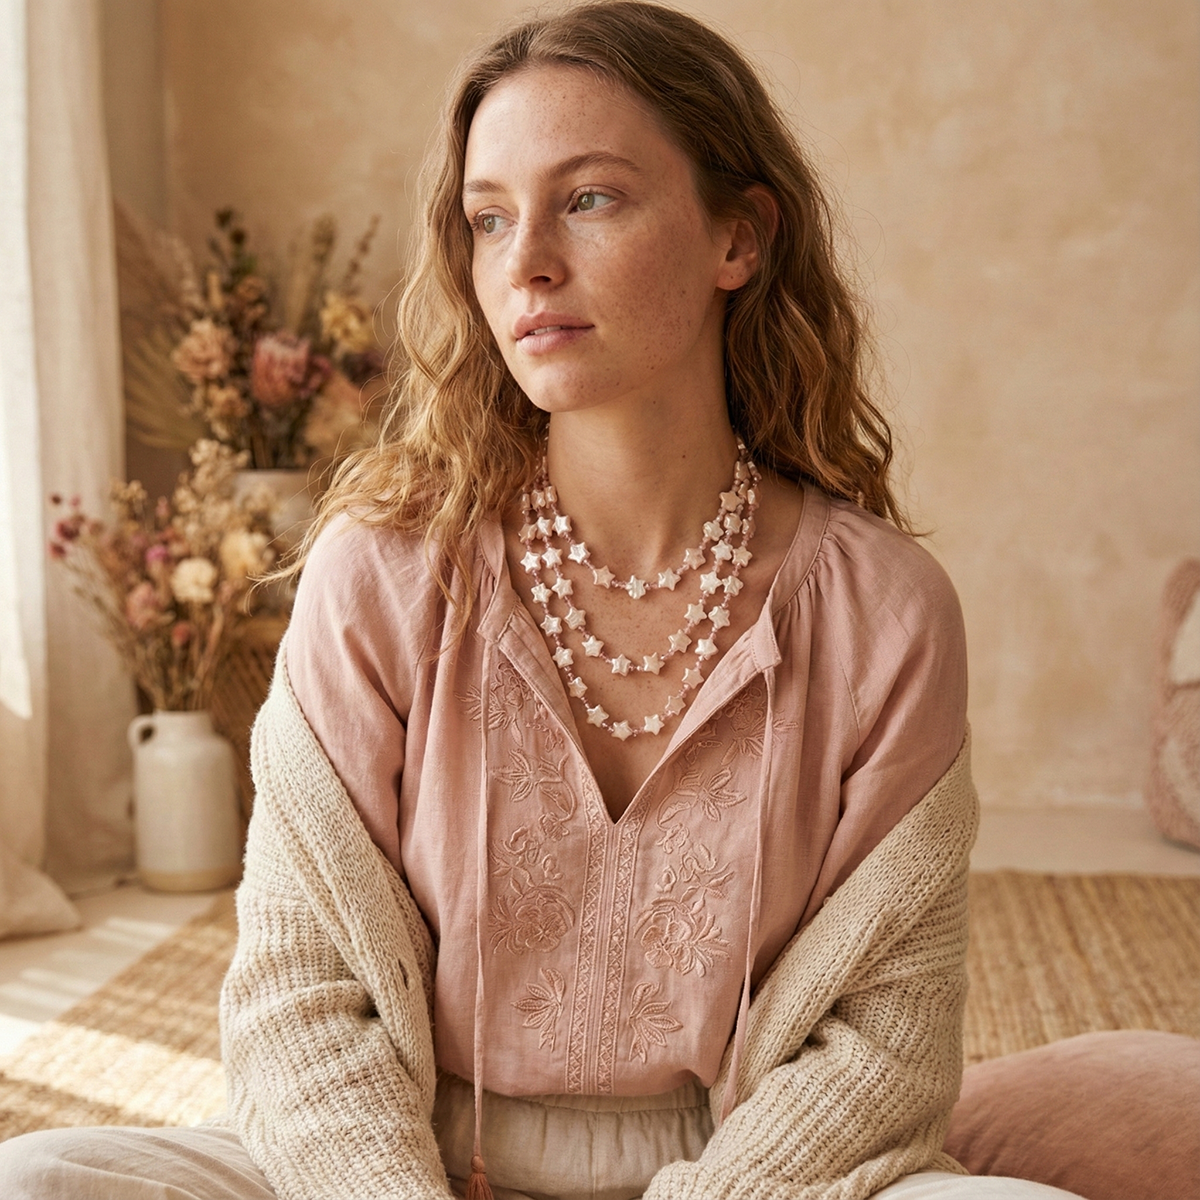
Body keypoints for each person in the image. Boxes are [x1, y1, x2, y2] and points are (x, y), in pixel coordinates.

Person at [0, 4, 1085, 1198]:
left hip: (748, 1171)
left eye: (591, 199)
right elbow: (303, 997)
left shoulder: (886, 610)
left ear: (739, 237)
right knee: (40, 1179)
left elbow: (881, 1046)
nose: (526, 263)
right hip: (403, 1155)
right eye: (489, 219)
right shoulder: (383, 571)